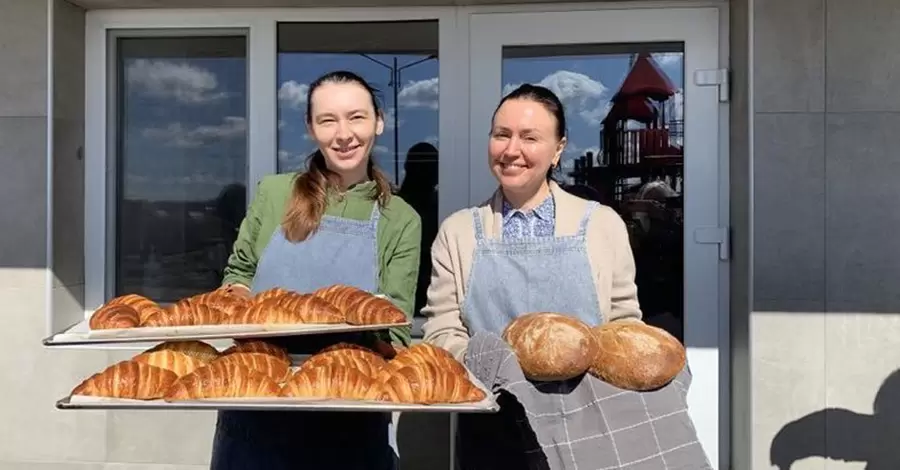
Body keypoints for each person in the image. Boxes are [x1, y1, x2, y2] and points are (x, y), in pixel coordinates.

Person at [420, 84, 643, 468]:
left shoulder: (601, 225)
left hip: (585, 426)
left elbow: (624, 324)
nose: (511, 150)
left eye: (530, 138)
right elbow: (441, 329)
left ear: (558, 149)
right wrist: (492, 367)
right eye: (501, 135)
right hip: (491, 428)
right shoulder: (458, 232)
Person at [211, 70, 422, 470]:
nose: (344, 133)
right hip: (257, 406)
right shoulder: (275, 193)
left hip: (351, 418)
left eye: (356, 117)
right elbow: (237, 275)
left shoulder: (400, 219)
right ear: (311, 128)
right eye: (328, 120)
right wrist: (239, 308)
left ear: (379, 121)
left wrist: (355, 344)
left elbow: (396, 329)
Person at [396, 142, 439, 316]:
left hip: (432, 285)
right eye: (428, 168)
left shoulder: (438, 204)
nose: (432, 175)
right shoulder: (393, 208)